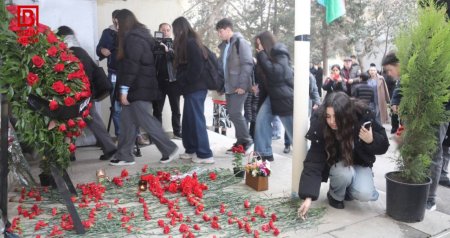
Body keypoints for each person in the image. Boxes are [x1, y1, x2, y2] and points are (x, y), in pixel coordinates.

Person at [297, 92, 390, 219]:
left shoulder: (363, 115)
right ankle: (335, 195)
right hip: (339, 166)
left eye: (336, 117)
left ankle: (349, 190)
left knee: (365, 194)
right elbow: (314, 160)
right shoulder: (321, 124)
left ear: (346, 114)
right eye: (328, 116)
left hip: (360, 162)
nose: (331, 121)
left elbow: (384, 146)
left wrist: (371, 141)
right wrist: (308, 197)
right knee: (343, 173)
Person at [382, 51, 450, 211]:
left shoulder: (429, 63)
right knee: (408, 150)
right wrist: (396, 101)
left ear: (399, 64)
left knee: (433, 155)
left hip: (437, 114)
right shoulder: (406, 76)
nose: (389, 74)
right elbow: (401, 88)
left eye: (390, 70)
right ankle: (413, 184)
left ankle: (430, 199)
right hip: (413, 115)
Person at [110, 9, 178, 166]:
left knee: (146, 120)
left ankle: (168, 148)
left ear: (123, 22)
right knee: (127, 122)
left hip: (139, 87)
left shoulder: (134, 38)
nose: (116, 26)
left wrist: (124, 90)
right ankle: (124, 155)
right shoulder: (138, 36)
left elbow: (131, 65)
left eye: (117, 23)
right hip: (139, 86)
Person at [56, 26, 117, 161]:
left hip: (78, 95)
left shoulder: (69, 53)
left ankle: (109, 148)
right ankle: (108, 147)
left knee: (71, 122)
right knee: (81, 121)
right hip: (83, 94)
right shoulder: (79, 51)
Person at [96, 10, 148, 145]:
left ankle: (137, 135)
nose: (116, 22)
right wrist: (102, 50)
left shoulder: (131, 33)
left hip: (130, 75)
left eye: (118, 20)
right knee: (117, 107)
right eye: (114, 20)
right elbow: (99, 49)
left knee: (132, 106)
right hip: (114, 73)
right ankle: (121, 136)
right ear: (113, 19)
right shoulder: (107, 33)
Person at [172, 16, 214, 164]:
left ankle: (205, 154)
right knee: (189, 121)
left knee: (196, 121)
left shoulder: (191, 43)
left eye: (174, 30)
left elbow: (196, 68)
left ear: (179, 29)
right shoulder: (190, 42)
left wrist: (184, 80)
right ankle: (191, 149)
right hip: (192, 89)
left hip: (196, 88)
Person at [253, 31, 294, 162]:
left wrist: (261, 55)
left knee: (294, 132)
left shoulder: (280, 52)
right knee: (261, 120)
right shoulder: (262, 58)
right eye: (256, 45)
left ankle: (308, 155)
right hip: (271, 97)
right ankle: (263, 154)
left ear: (266, 43)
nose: (258, 47)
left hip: (284, 97)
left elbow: (276, 73)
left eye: (259, 44)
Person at [216, 18, 254, 154]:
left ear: (228, 29)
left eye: (221, 31)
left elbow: (247, 64)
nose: (219, 34)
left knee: (235, 113)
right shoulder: (224, 46)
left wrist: (243, 85)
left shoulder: (240, 42)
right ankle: (240, 141)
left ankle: (246, 140)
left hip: (239, 86)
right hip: (229, 86)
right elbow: (222, 68)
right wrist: (221, 86)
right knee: (232, 114)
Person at [152, 22, 182, 139]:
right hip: (158, 82)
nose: (165, 32)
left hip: (173, 81)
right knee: (157, 110)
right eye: (162, 30)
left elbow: (178, 59)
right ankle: (157, 135)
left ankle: (177, 132)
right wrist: (156, 45)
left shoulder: (176, 44)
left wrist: (167, 50)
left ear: (171, 31)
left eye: (167, 30)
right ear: (159, 31)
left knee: (176, 108)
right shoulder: (154, 45)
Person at [284, 73, 321, 154]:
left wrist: (317, 102)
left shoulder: (310, 76)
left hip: (305, 103)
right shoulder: (291, 74)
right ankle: (287, 144)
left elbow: (315, 90)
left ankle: (300, 145)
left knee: (302, 126)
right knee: (290, 123)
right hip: (291, 102)